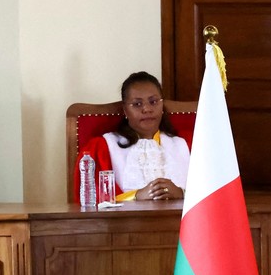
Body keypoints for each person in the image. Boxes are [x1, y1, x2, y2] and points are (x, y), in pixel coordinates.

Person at [73, 71, 190, 202]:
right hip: (123, 222)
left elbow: (210, 193)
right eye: (137, 104)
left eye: (153, 102)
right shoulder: (102, 147)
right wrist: (136, 195)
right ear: (125, 110)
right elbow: (91, 202)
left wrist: (181, 193)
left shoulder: (186, 145)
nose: (147, 109)